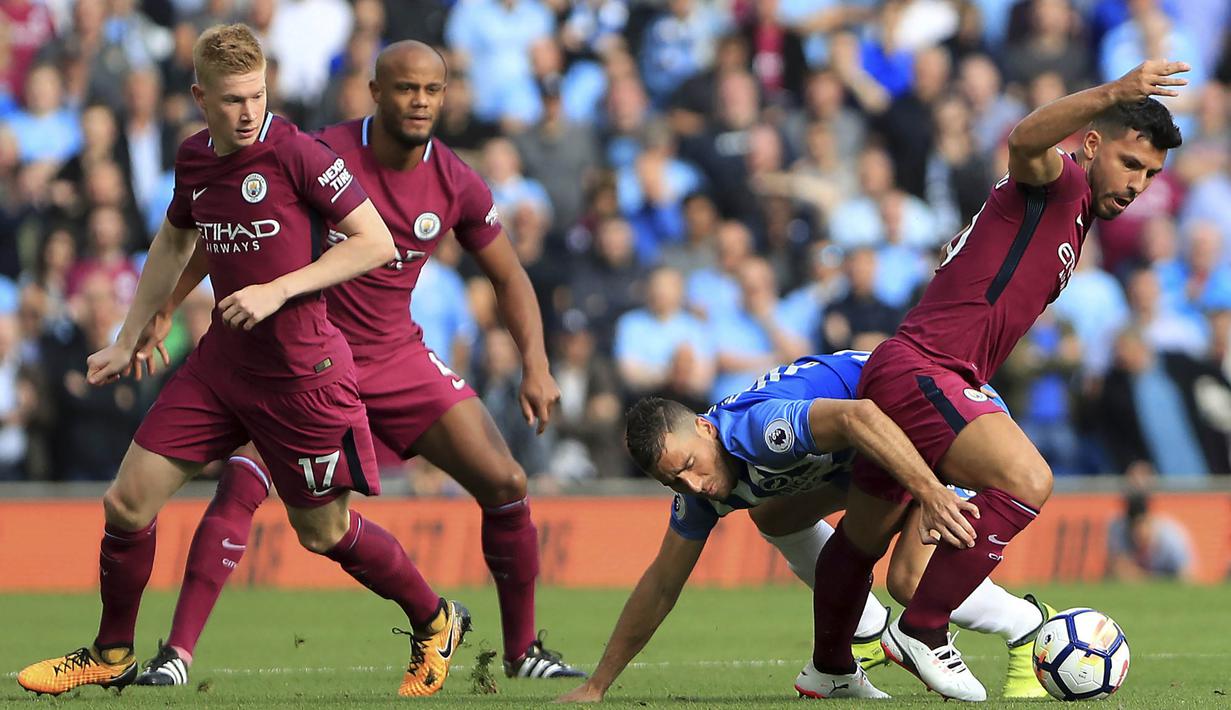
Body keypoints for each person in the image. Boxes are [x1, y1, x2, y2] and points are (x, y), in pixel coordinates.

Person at [17, 24, 477, 699]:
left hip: (303, 377)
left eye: (256, 96)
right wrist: (131, 332)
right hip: (222, 368)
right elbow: (174, 243)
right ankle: (112, 653)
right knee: (126, 504)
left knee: (321, 532)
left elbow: (374, 241)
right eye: (231, 100)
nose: (247, 112)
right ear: (200, 97)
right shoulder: (195, 159)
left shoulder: (298, 153)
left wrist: (278, 288)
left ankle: (434, 617)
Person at [128, 41, 583, 690]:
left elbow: (509, 276)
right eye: (404, 89)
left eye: (431, 90)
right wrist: (167, 304)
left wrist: (535, 364)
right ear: (375, 92)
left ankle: (522, 650)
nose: (419, 101)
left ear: (445, 96)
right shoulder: (318, 153)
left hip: (395, 358)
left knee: (506, 482)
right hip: (300, 362)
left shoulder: (456, 180)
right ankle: (177, 655)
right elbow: (226, 226)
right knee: (243, 483)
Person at [809, 60, 1186, 701]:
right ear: (1092, 143)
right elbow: (1024, 140)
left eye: (1150, 174)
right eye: (1130, 163)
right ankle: (924, 630)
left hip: (916, 373)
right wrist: (1113, 92)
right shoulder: (1061, 181)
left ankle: (827, 669)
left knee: (862, 538)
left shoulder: (1077, 215)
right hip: (926, 370)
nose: (1138, 184)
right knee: (1029, 479)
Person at [557, 351, 1054, 702]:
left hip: (931, 411)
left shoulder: (759, 432)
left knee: (908, 581)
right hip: (870, 452)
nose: (694, 484)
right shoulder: (700, 489)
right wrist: (597, 686)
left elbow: (862, 416)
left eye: (690, 463)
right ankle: (867, 629)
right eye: (675, 479)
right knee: (772, 512)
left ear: (706, 428)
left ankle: (1028, 628)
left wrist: (929, 491)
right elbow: (662, 584)